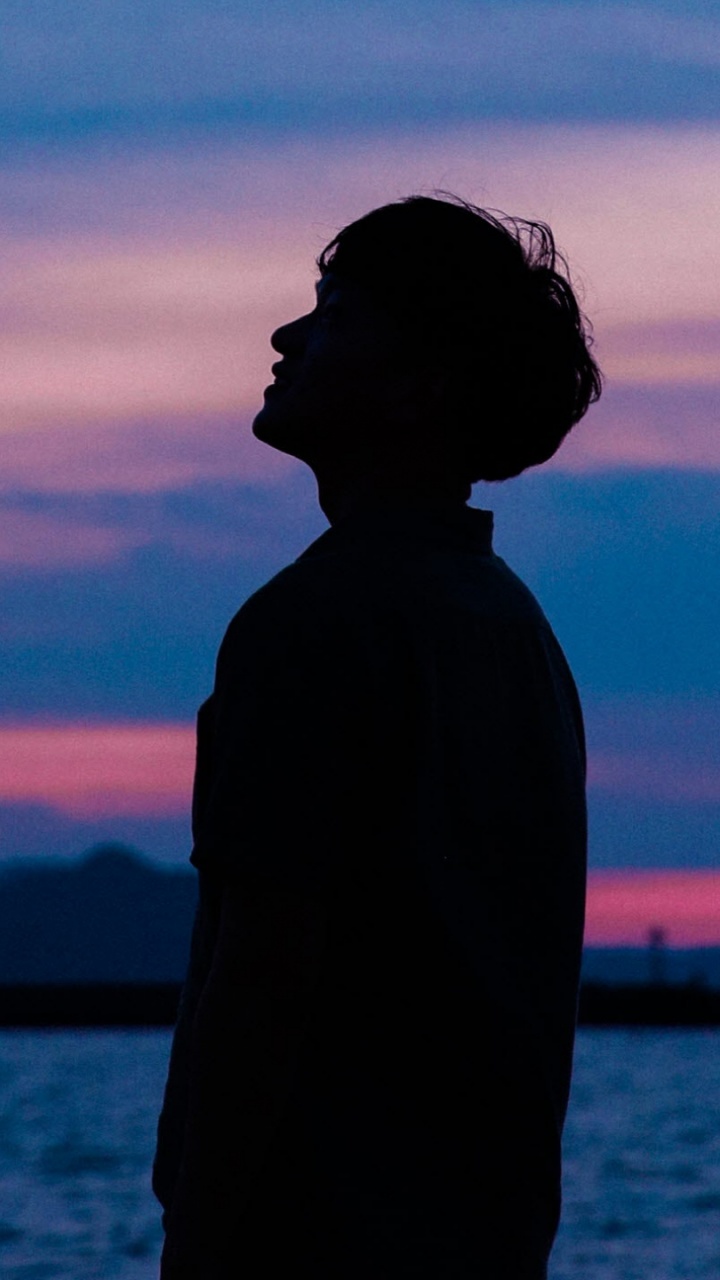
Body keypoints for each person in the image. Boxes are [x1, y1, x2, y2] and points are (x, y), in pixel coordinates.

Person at [153, 193, 602, 1278]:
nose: (288, 336)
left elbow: (261, 974)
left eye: (336, 314)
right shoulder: (515, 630)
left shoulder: (314, 622)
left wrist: (198, 1240)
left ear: (422, 381)